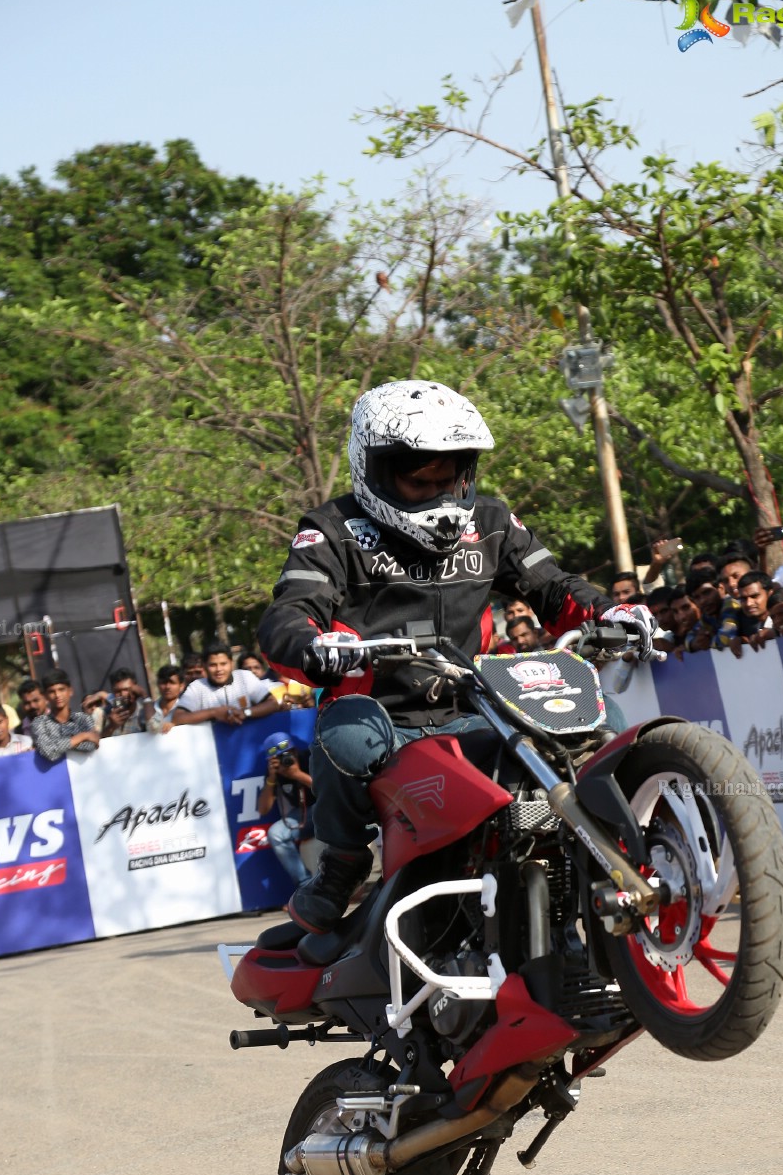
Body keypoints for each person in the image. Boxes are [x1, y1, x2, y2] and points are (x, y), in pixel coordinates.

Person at [257, 378, 656, 934]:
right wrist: (315, 646)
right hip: (383, 716)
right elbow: (288, 613)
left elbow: (554, 588)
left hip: (478, 705)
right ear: (372, 467)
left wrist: (607, 615)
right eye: (419, 479)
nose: (439, 492)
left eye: (450, 475)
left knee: (602, 716)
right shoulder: (330, 530)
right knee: (344, 730)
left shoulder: (491, 522)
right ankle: (343, 862)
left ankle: (618, 844)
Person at [171, 641, 280, 728]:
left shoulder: (245, 677)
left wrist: (245, 712)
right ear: (204, 666)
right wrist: (213, 713)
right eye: (213, 665)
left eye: (223, 664)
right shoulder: (197, 687)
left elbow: (272, 704)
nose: (219, 669)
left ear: (231, 663)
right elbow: (177, 718)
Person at [257, 731, 314, 888]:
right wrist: (271, 779)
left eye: (287, 754)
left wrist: (297, 775)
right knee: (275, 833)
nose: (285, 760)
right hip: (302, 816)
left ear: (295, 751)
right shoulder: (274, 773)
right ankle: (305, 885)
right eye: (279, 757)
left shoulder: (309, 757)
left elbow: (328, 790)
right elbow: (263, 809)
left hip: (326, 808)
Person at [31, 670, 101, 761]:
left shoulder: (83, 719)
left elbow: (91, 745)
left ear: (70, 691)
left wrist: (58, 745)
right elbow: (48, 751)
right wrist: (82, 736)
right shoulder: (39, 722)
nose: (57, 695)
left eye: (61, 689)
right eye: (52, 691)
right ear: (45, 696)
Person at [82, 667, 154, 737]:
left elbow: (154, 728)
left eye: (126, 689)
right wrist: (111, 727)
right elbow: (93, 742)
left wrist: (144, 695)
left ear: (136, 688)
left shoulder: (144, 713)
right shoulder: (102, 713)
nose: (122, 694)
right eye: (117, 691)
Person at [736, 571, 777, 649]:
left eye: (754, 596)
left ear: (770, 594)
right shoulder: (740, 622)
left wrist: (775, 633)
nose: (748, 603)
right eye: (743, 599)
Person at [146, 665, 184, 732]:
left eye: (172, 682)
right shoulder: (149, 710)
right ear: (158, 684)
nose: (167, 687)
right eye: (163, 682)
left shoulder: (186, 709)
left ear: (181, 686)